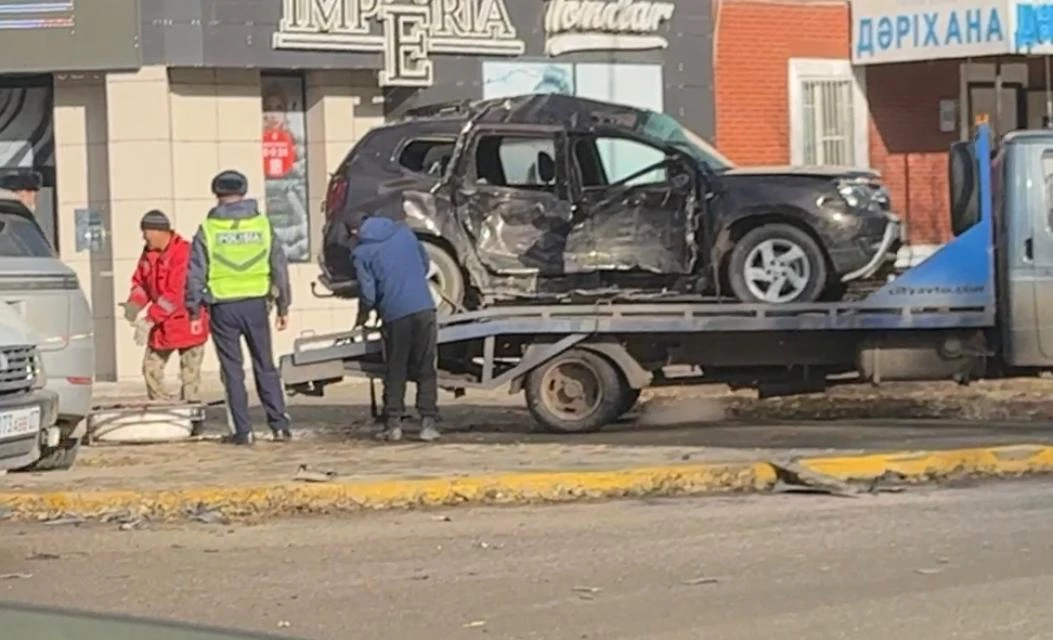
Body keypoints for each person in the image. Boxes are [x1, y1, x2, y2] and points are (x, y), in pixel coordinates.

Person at [185, 170, 292, 446]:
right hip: (257, 304)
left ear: (218, 195)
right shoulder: (263, 225)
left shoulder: (208, 229)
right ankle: (279, 425)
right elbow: (279, 267)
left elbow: (195, 272)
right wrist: (283, 306)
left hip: (223, 307)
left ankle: (243, 432)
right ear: (244, 193)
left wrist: (194, 309)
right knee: (265, 365)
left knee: (232, 369)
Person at [351, 214, 440, 442]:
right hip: (424, 307)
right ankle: (428, 423)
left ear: (355, 232)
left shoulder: (362, 253)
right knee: (425, 366)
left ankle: (394, 425)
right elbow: (425, 264)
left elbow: (368, 293)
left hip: (395, 314)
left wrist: (364, 313)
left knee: (396, 369)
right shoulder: (404, 233)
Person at [123, 210, 209, 404]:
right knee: (151, 368)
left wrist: (150, 319)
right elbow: (142, 284)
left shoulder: (184, 252)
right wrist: (133, 305)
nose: (143, 236)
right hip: (163, 326)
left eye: (145, 231)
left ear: (158, 231)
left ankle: (191, 412)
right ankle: (161, 406)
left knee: (190, 375)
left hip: (188, 321)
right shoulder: (148, 254)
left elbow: (175, 293)